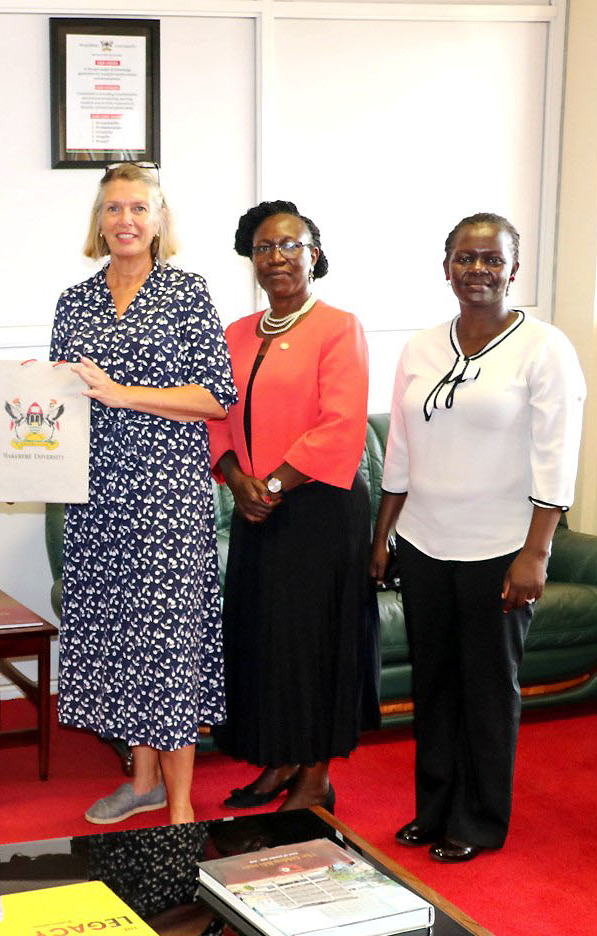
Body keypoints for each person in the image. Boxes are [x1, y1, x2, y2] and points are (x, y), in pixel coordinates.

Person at [371, 213, 585, 863]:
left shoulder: (545, 348)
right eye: (466, 258)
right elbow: (400, 452)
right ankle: (434, 806)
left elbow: (557, 456)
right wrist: (383, 538)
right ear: (446, 268)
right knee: (435, 684)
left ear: (513, 269)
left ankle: (480, 817)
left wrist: (536, 551)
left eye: (493, 260)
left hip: (501, 547)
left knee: (489, 688)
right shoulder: (422, 347)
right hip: (427, 543)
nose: (478, 271)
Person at [52, 164, 235, 826]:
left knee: (169, 641)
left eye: (137, 207)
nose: (124, 219)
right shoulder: (73, 301)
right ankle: (142, 780)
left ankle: (180, 803)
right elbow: (55, 403)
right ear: (98, 222)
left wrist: (124, 393)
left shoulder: (188, 293)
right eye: (112, 208)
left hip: (166, 497)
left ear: (159, 220)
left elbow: (217, 397)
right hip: (97, 498)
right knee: (124, 636)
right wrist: (14, 458)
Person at [207, 200, 380, 812]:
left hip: (319, 511)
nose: (276, 257)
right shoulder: (234, 333)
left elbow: (340, 428)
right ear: (249, 259)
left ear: (314, 254)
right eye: (263, 247)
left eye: (290, 245)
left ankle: (315, 775)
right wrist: (236, 481)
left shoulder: (339, 327)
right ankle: (279, 759)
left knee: (314, 641)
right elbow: (217, 421)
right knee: (266, 639)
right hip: (256, 508)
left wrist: (271, 486)